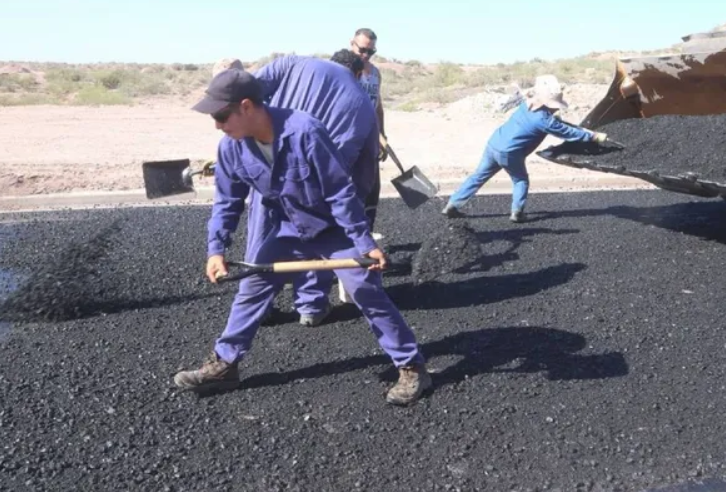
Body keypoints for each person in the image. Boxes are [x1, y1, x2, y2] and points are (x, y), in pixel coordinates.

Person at [173, 69, 432, 406]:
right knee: (251, 290)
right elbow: (227, 202)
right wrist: (216, 249)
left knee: (366, 292)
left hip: (333, 230)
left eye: (221, 116)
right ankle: (225, 365)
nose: (217, 125)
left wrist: (364, 242)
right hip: (288, 230)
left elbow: (339, 192)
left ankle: (412, 367)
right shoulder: (231, 148)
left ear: (246, 106)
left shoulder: (304, 131)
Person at [222, 54, 380, 326]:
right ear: (356, 74)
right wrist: (358, 211)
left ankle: (259, 306)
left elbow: (248, 94)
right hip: (316, 183)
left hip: (268, 163)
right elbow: (363, 167)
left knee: (263, 229)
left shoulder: (292, 63)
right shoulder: (361, 101)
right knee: (319, 234)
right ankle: (311, 306)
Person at [441, 75, 609, 223]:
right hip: (509, 153)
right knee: (520, 180)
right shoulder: (544, 120)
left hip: (493, 144)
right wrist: (593, 137)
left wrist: (554, 118)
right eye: (554, 105)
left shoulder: (526, 104)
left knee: (478, 176)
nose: (556, 108)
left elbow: (547, 118)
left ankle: (452, 205)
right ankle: (517, 213)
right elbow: (568, 132)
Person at [350, 28, 386, 224]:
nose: (365, 55)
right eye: (362, 50)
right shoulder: (344, 71)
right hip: (351, 138)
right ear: (352, 44)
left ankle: (367, 231)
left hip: (371, 138)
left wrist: (382, 134)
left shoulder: (375, 74)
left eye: (371, 51)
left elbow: (378, 106)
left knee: (372, 187)